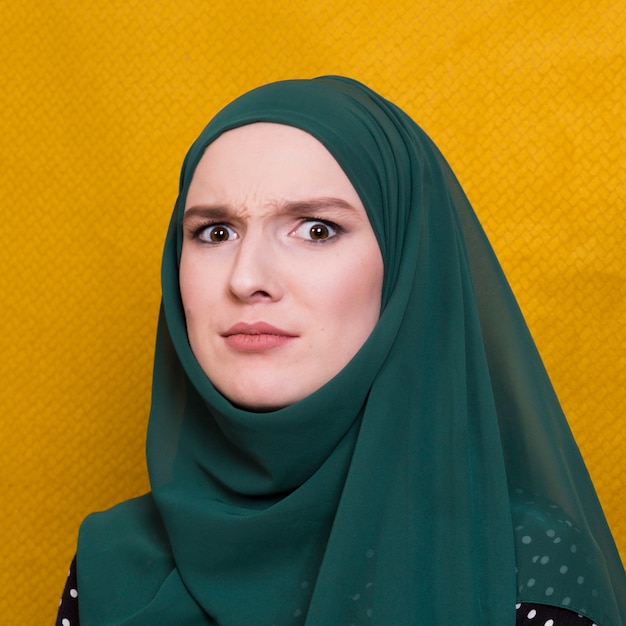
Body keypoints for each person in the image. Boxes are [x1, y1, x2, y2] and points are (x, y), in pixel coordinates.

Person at [56, 76, 626, 625]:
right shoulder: (112, 566)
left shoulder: (521, 567)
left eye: (316, 229)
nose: (247, 278)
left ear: (407, 268)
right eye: (215, 232)